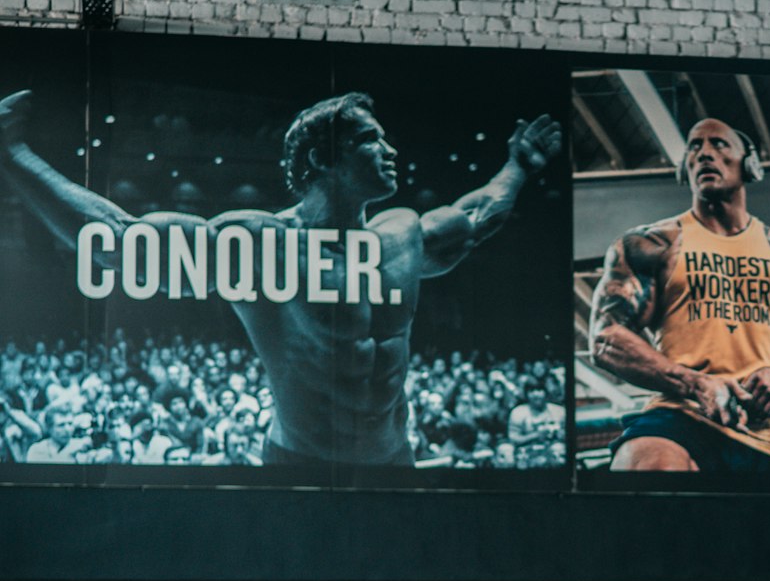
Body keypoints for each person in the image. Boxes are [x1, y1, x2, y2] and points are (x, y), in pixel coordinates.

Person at [0, 89, 560, 476]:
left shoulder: (403, 235)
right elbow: (121, 241)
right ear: (324, 157)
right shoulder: (258, 244)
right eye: (371, 140)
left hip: (395, 458)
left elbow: (479, 217)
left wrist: (519, 165)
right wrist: (15, 155)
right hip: (301, 461)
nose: (391, 151)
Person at [588, 117, 770, 474]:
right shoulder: (651, 244)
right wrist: (696, 383)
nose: (704, 154)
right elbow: (606, 338)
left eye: (718, 144)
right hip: (680, 417)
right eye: (694, 146)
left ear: (749, 164)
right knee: (644, 462)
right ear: (684, 168)